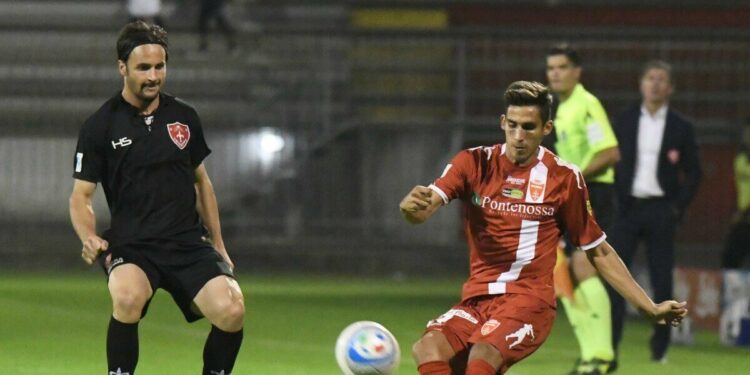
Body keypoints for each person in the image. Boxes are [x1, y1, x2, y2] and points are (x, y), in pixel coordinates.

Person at [400, 81, 687, 375]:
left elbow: (597, 250)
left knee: (481, 357)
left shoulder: (563, 178)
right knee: (428, 349)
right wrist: (410, 209)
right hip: (477, 298)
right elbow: (423, 209)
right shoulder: (473, 162)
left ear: (546, 128)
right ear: (502, 122)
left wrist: (647, 306)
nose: (518, 136)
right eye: (512, 125)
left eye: (529, 127)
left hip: (529, 301)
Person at [68, 21, 245, 375]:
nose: (153, 76)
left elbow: (201, 184)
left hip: (185, 243)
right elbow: (81, 196)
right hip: (132, 245)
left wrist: (219, 245)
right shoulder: (99, 126)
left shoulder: (184, 117)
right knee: (127, 298)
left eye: (160, 66)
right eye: (143, 68)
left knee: (232, 309)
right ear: (123, 68)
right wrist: (89, 236)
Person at [608, 60, 701, 365]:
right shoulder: (624, 120)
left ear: (670, 87)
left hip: (662, 210)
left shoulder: (681, 127)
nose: (656, 84)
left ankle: (660, 349)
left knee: (663, 283)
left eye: (662, 79)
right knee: (616, 278)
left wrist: (676, 208)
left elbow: (695, 173)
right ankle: (609, 348)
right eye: (651, 78)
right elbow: (611, 160)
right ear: (641, 84)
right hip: (628, 209)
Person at [546, 43, 620, 374]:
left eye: (562, 67)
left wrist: (574, 175)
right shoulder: (560, 110)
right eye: (551, 68)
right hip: (572, 196)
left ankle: (602, 356)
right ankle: (590, 355)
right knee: (561, 272)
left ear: (577, 71)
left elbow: (609, 152)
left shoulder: (586, 104)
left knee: (584, 267)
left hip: (594, 192)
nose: (555, 73)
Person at [722, 117, 750, 269]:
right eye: (747, 133)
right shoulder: (740, 158)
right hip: (743, 219)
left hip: (744, 214)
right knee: (729, 259)